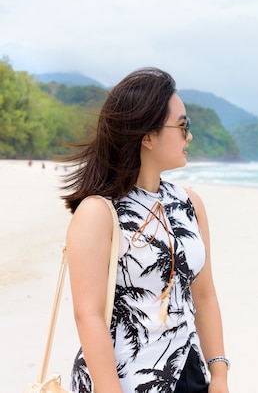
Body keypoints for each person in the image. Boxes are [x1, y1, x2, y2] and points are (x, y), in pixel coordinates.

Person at [61, 67, 229, 393]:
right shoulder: (98, 212)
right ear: (147, 136)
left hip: (187, 371)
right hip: (122, 378)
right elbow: (89, 314)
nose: (189, 136)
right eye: (183, 126)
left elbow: (204, 295)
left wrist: (219, 373)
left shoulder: (189, 203)